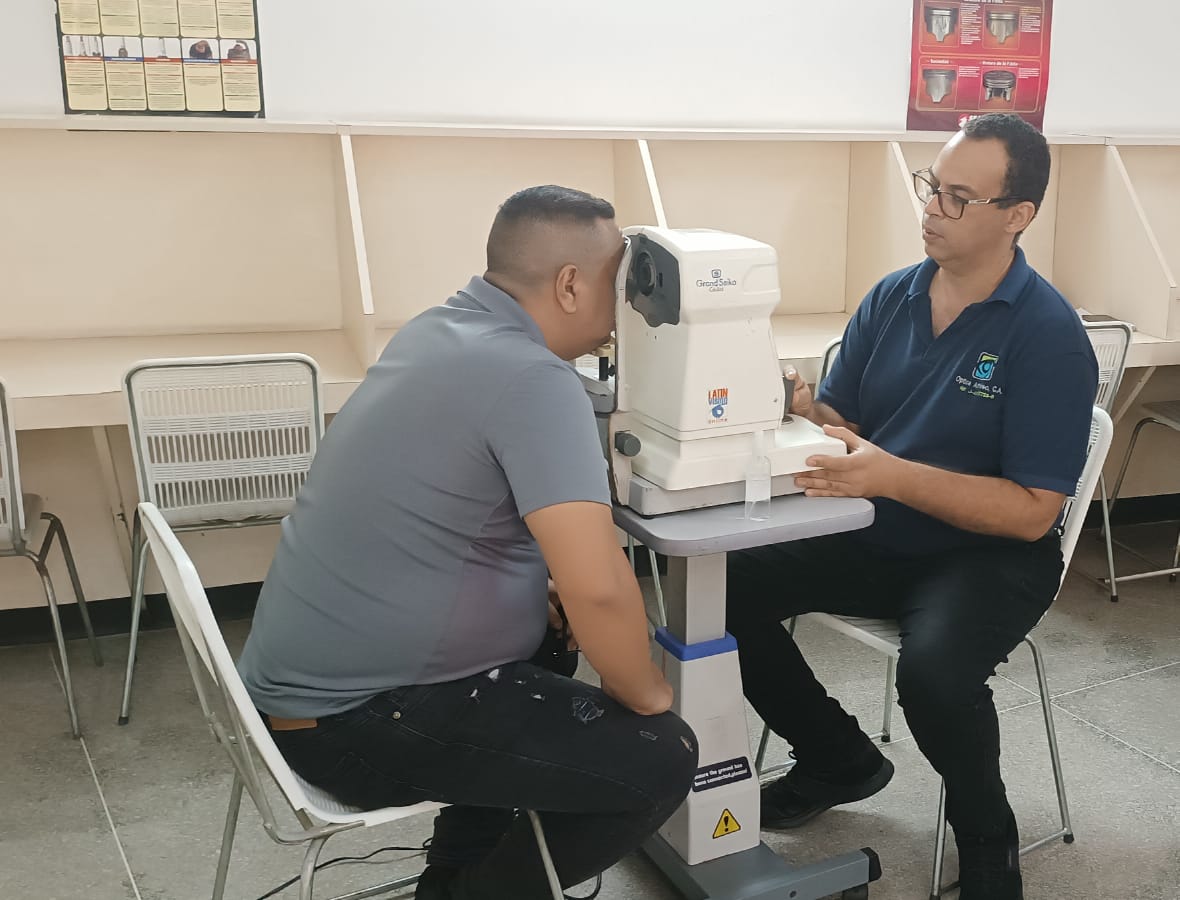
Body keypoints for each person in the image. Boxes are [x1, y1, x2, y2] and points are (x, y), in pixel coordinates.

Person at [238, 185, 698, 900]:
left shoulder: (436, 330)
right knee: (660, 756)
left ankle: (456, 874)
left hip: (298, 693)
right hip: (355, 725)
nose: (625, 307)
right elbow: (599, 586)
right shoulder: (534, 378)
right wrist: (645, 691)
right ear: (570, 284)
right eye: (618, 284)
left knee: (551, 633)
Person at [726, 113, 1098, 900]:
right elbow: (851, 429)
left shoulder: (1048, 335)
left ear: (1019, 215)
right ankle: (838, 758)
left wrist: (891, 476)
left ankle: (988, 840)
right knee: (714, 589)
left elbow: (1033, 513)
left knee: (934, 676)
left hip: (989, 555)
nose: (933, 208)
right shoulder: (894, 296)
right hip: (877, 526)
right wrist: (805, 409)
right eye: (932, 186)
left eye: (960, 197)